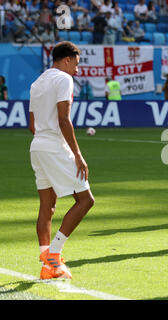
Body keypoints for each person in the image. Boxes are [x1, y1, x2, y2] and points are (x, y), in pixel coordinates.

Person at [28, 41, 95, 280]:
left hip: (37, 146)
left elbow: (32, 125)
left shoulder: (37, 83)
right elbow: (64, 119)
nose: (77, 70)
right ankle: (54, 254)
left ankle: (47, 261)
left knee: (47, 205)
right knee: (86, 200)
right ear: (66, 60)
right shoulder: (63, 80)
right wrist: (77, 155)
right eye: (76, 64)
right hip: (55, 146)